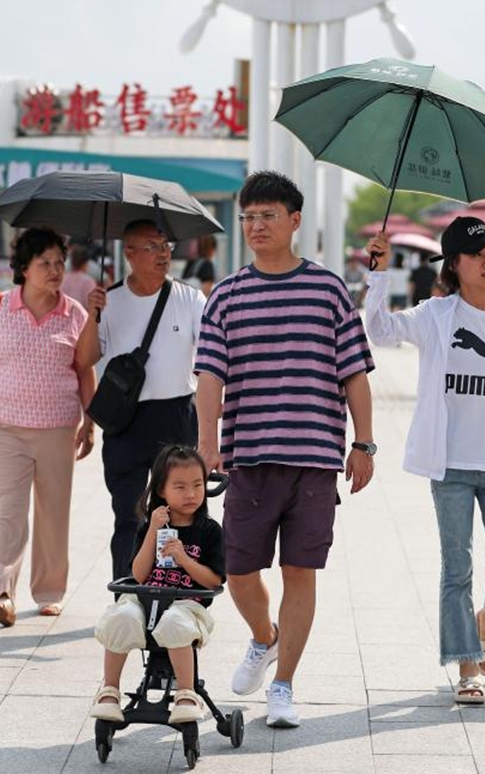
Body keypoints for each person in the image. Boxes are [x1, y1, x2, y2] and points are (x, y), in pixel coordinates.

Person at [196, 171, 376, 729]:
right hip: (247, 456)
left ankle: (283, 685)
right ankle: (263, 636)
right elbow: (209, 375)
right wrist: (206, 442)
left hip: (316, 459)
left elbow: (355, 374)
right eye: (248, 217)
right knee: (239, 572)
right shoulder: (226, 293)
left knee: (301, 572)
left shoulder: (328, 290)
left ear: (295, 220)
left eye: (267, 216)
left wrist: (363, 443)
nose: (255, 226)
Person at [365, 216, 485, 707]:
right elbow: (379, 329)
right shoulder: (437, 315)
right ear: (455, 264)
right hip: (451, 465)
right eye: (479, 254)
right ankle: (466, 666)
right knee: (456, 568)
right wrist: (377, 274)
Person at [0, 228, 98, 627]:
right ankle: (4, 591)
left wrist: (90, 423)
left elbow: (85, 370)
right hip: (5, 426)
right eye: (45, 263)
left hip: (58, 427)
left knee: (54, 511)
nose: (55, 270)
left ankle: (50, 591)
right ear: (24, 268)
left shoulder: (74, 311)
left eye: (59, 262)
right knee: (11, 509)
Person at [87, 220, 206, 580]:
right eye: (153, 247)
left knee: (180, 513)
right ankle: (127, 592)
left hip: (176, 416)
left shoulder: (190, 299)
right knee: (128, 512)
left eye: (166, 245)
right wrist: (91, 316)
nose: (164, 254)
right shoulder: (109, 300)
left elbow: (214, 358)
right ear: (130, 254)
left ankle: (176, 595)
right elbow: (84, 358)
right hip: (126, 421)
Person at [91, 444, 225, 726]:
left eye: (197, 485)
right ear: (162, 490)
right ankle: (109, 691)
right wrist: (153, 529)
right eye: (180, 487)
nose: (191, 494)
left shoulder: (209, 531)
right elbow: (139, 575)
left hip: (187, 604)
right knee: (122, 615)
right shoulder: (152, 525)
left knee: (176, 622)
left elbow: (214, 580)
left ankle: (186, 693)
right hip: (146, 600)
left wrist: (184, 559)